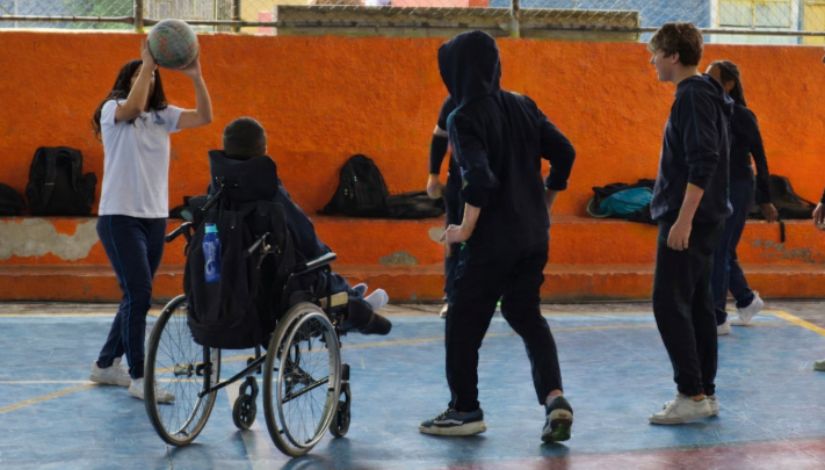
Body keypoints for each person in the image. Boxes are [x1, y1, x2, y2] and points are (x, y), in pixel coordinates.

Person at [418, 31, 576, 442]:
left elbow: (479, 179)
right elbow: (565, 152)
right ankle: (555, 398)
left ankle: (464, 409)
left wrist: (463, 228)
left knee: (462, 322)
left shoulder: (462, 117)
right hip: (533, 236)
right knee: (526, 315)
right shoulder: (523, 105)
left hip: (490, 240)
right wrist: (547, 202)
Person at [88, 42, 213, 402]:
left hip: (153, 218)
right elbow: (135, 104)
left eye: (150, 73)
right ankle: (140, 377)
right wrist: (146, 64)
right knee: (141, 293)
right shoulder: (113, 110)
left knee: (134, 294)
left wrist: (196, 77)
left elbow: (205, 116)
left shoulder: (164, 116)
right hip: (119, 217)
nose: (145, 77)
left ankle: (105, 363)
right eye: (140, 73)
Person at [211, 117, 392, 336]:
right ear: (264, 149)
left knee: (312, 272)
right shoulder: (268, 191)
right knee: (318, 267)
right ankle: (358, 308)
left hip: (224, 286)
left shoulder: (217, 191)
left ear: (225, 148)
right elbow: (305, 235)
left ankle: (352, 296)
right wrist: (322, 254)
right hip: (270, 289)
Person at [647, 23, 732, 425]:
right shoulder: (704, 94)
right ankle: (705, 392)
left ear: (673, 56)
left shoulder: (694, 96)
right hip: (706, 217)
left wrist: (682, 219)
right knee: (698, 305)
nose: (653, 61)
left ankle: (690, 392)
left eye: (657, 54)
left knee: (668, 303)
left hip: (691, 221)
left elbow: (704, 159)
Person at [706, 60, 778, 336]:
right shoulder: (709, 112)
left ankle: (717, 317)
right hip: (717, 186)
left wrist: (765, 198)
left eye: (713, 80)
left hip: (738, 186)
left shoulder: (743, 116)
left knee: (720, 250)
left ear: (729, 84)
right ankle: (747, 300)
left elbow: (760, 157)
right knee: (723, 249)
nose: (706, 84)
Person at [426, 96, 460, 318]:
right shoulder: (452, 102)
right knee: (453, 238)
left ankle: (494, 292)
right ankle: (452, 297)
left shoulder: (502, 103)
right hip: (459, 182)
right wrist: (433, 175)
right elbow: (439, 136)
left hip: (492, 184)